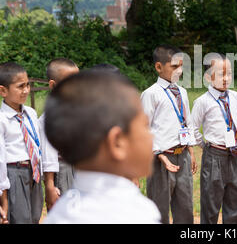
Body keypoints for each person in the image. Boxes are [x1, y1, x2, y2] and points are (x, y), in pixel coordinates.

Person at [43, 71, 160, 223]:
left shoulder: (58, 215)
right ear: (117, 142)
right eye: (145, 125)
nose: (151, 136)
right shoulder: (136, 213)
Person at [141, 45, 197, 224]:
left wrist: (191, 150)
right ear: (159, 67)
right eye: (174, 66)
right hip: (161, 160)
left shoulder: (182, 92)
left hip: (183, 158)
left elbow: (186, 122)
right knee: (160, 210)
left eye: (181, 66)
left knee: (185, 209)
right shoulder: (151, 94)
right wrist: (159, 155)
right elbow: (144, 129)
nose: (179, 71)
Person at [191, 53, 237, 224]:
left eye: (229, 73)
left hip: (234, 155)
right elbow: (192, 128)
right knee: (211, 202)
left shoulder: (235, 97)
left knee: (236, 199)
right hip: (214, 155)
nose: (226, 78)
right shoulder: (203, 102)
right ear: (208, 77)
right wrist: (205, 146)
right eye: (221, 74)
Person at [0, 62, 43, 224]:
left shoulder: (30, 113)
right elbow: (1, 159)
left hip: (34, 173)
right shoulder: (2, 120)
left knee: (34, 217)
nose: (26, 90)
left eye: (27, 85)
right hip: (14, 173)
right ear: (3, 91)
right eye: (20, 86)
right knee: (20, 219)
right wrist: (3, 196)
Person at [40, 58, 79, 211]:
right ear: (53, 85)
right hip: (62, 170)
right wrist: (50, 186)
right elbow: (49, 155)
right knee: (65, 213)